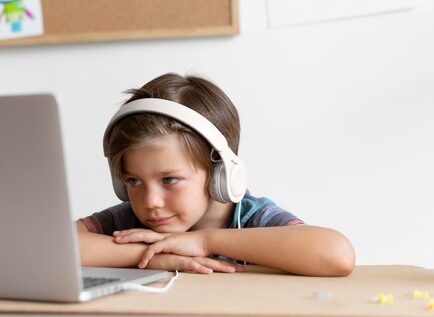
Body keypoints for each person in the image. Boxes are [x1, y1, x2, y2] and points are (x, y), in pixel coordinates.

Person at [77, 73, 355, 276]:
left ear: (222, 174)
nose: (150, 201)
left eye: (169, 180)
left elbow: (336, 254)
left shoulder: (251, 218)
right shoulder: (133, 223)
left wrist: (204, 240)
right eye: (133, 181)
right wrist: (149, 255)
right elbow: (45, 247)